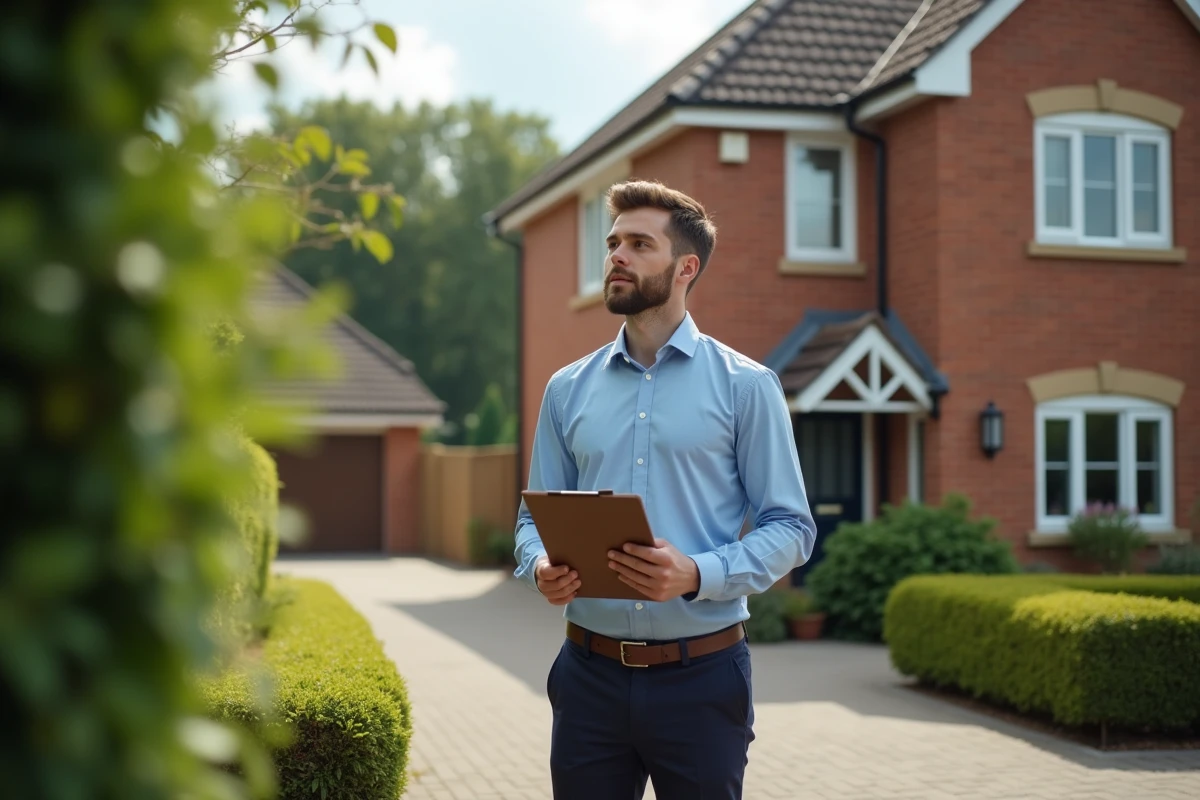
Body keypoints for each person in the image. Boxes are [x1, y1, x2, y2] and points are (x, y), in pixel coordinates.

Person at [513, 179, 815, 800]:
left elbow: (792, 527)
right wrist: (538, 562)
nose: (617, 256)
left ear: (685, 267)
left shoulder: (748, 387)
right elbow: (532, 518)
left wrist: (698, 573)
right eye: (613, 242)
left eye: (639, 244)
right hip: (587, 678)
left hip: (702, 679)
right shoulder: (566, 390)